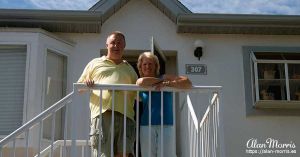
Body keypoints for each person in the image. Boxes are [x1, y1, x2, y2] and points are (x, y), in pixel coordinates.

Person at [77, 31, 138, 157]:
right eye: (113, 43)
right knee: (103, 154)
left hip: (125, 116)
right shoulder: (94, 63)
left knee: (124, 154)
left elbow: (138, 94)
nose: (116, 46)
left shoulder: (129, 69)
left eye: (119, 43)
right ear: (107, 45)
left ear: (124, 46)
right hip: (102, 115)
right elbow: (79, 88)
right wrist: (87, 84)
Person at [136, 52, 192, 157]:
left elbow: (187, 82)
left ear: (156, 66)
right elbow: (141, 82)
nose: (148, 66)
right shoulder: (141, 81)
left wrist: (168, 83)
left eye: (151, 64)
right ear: (140, 67)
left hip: (166, 124)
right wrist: (161, 82)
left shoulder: (164, 77)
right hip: (146, 125)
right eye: (145, 64)